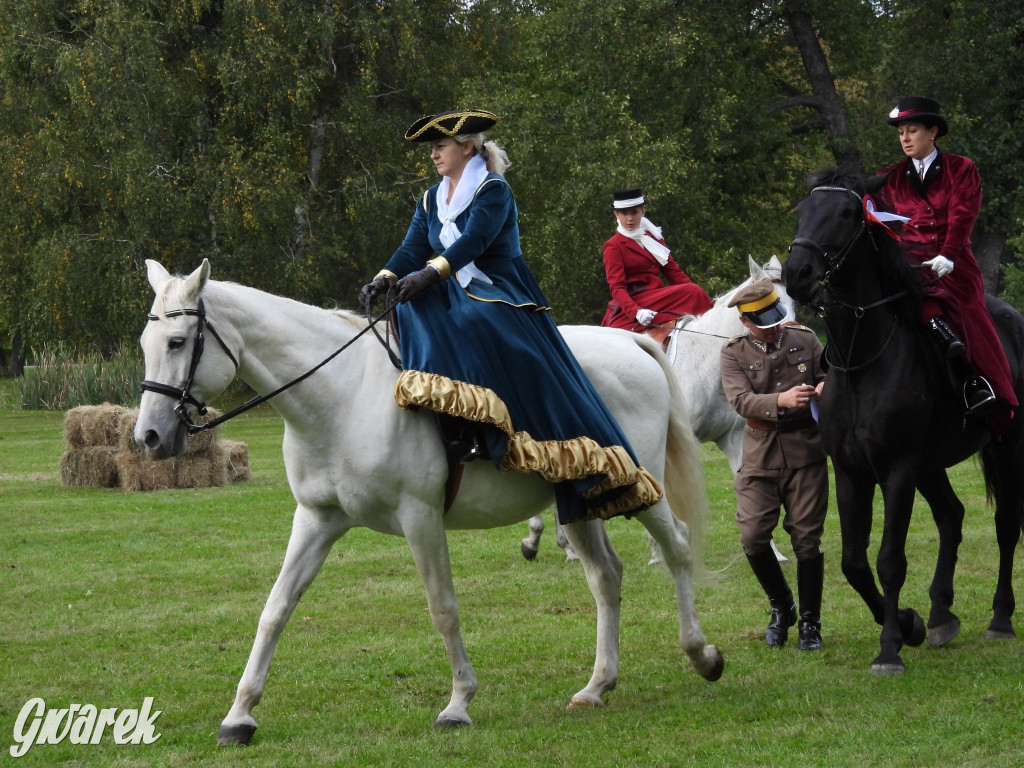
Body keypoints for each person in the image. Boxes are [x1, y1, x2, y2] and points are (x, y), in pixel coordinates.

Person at [359, 109, 661, 524]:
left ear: (467, 147)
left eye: (440, 146)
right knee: (408, 307)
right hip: (449, 283)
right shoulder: (430, 198)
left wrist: (429, 274)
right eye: (431, 148)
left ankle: (492, 425)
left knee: (472, 321)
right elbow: (413, 245)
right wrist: (384, 277)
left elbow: (475, 242)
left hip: (498, 287)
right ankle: (448, 418)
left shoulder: (493, 189)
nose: (433, 155)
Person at [876, 96, 1017, 426]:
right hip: (908, 268)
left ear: (933, 132)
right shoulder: (890, 177)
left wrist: (948, 255)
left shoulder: (960, 168)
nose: (905, 138)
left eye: (912, 131)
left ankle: (977, 383)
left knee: (970, 319)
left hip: (952, 267)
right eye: (901, 133)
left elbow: (963, 215)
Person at [720, 280, 827, 650]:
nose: (773, 326)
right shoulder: (733, 352)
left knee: (807, 538)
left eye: (776, 317)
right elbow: (739, 400)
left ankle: (810, 624)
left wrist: (827, 387)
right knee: (751, 535)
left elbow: (828, 374)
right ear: (745, 321)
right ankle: (783, 606)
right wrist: (781, 399)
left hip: (806, 451)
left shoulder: (806, 339)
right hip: (760, 452)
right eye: (763, 321)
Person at [600, 188, 712, 331]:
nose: (629, 218)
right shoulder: (613, 245)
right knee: (693, 292)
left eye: (634, 212)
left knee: (694, 292)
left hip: (657, 295)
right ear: (616, 214)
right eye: (624, 213)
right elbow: (617, 288)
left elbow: (672, 271)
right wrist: (636, 312)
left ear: (643, 212)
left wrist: (695, 294)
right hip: (635, 300)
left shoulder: (652, 237)